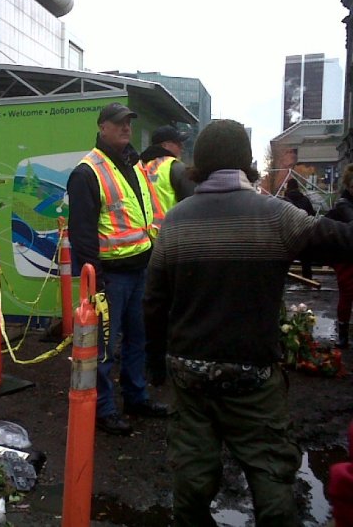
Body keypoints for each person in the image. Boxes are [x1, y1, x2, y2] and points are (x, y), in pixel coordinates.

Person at [143, 119, 353, 526]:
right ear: (248, 164)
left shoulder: (176, 222)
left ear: (198, 166)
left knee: (191, 475)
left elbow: (154, 302)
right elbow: (341, 241)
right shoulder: (277, 216)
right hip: (253, 374)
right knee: (270, 476)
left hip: (190, 373)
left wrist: (154, 362)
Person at [66, 102, 168, 437]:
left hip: (140, 270)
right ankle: (104, 409)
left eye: (128, 122)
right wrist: (94, 279)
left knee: (137, 340)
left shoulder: (134, 164)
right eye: (118, 123)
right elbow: (82, 234)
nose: (126, 127)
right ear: (102, 127)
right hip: (110, 276)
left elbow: (145, 213)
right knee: (105, 348)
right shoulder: (86, 172)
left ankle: (136, 397)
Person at [140, 125, 196, 220]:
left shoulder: (139, 166)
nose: (182, 147)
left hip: (144, 232)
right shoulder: (176, 167)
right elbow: (192, 206)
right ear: (165, 145)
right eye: (177, 143)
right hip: (171, 230)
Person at [325, 163, 353, 348]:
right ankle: (342, 333)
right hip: (347, 259)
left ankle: (343, 333)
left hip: (345, 257)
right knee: (347, 295)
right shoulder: (344, 205)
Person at [284, 177, 316, 279]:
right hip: (303, 235)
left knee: (285, 262)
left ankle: (283, 281)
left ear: (288, 188)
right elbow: (312, 216)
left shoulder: (284, 201)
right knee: (306, 263)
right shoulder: (305, 200)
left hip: (289, 235)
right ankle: (308, 281)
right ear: (297, 187)